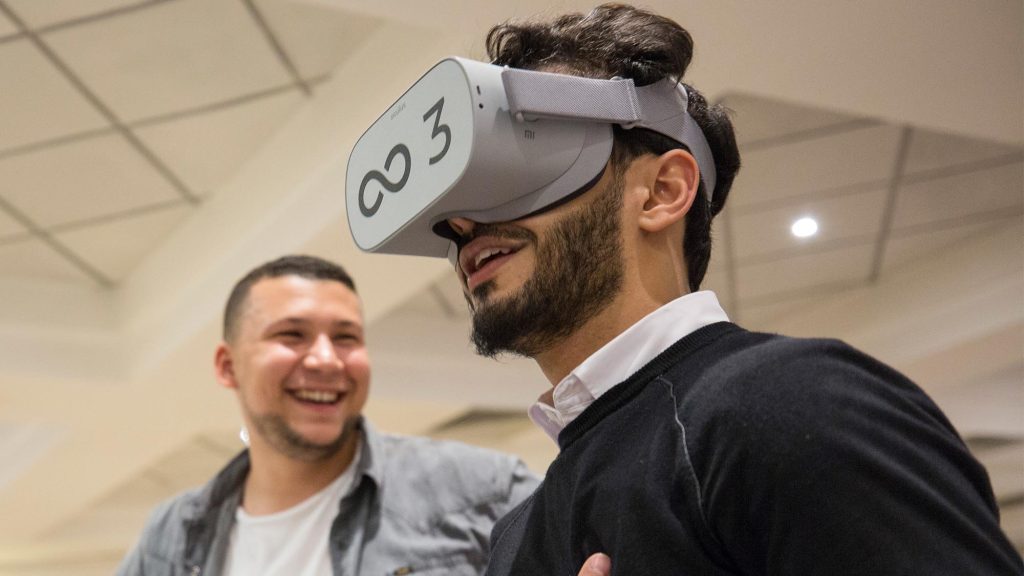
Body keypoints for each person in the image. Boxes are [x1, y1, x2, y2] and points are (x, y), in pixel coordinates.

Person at [439, 4, 1023, 575]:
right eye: (462, 196)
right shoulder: (514, 539)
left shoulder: (788, 402)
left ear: (664, 190)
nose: (462, 223)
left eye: (523, 164)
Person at [116, 255, 539, 575]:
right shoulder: (173, 535)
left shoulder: (481, 490)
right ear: (228, 366)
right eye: (292, 335)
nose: (326, 359)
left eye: (346, 338)